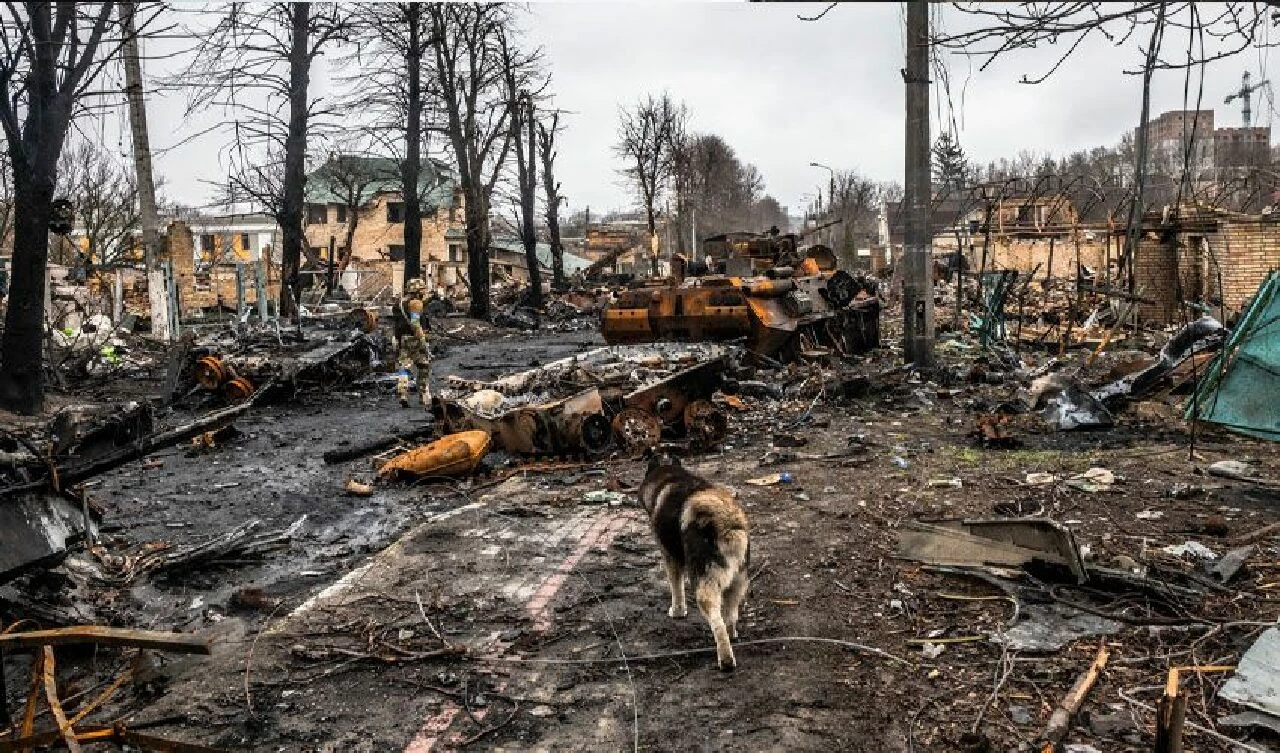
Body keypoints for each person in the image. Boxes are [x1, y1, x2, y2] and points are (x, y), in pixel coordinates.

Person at [394, 278, 431, 408]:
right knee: (423, 365)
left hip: (402, 338)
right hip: (414, 339)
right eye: (422, 290)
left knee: (404, 367)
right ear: (417, 291)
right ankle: (423, 395)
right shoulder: (415, 303)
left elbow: (397, 322)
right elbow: (415, 323)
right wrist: (423, 341)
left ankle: (403, 393)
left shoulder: (399, 303)